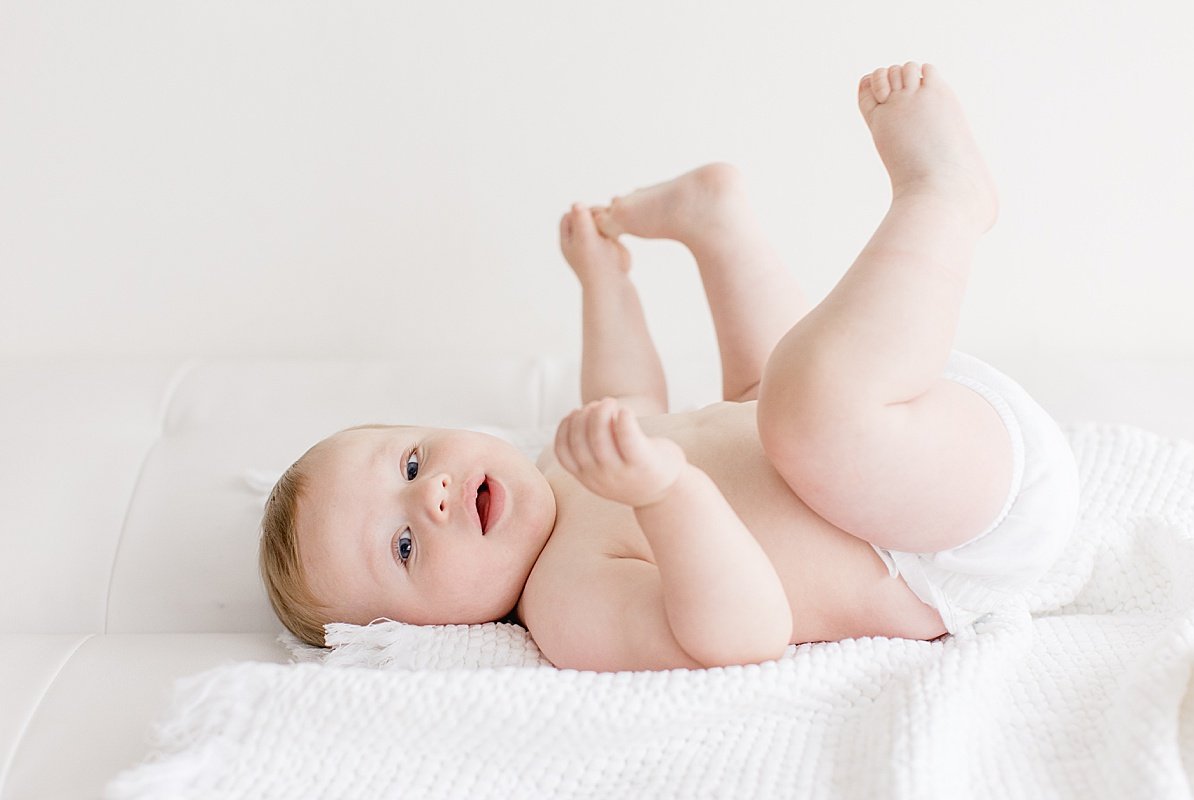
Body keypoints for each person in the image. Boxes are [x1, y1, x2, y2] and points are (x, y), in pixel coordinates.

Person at [258, 62, 1080, 671]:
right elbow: (739, 633)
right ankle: (944, 197)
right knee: (797, 411)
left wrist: (604, 283)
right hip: (944, 538)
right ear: (423, 632)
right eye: (402, 546)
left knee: (771, 397)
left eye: (410, 462)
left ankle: (719, 226)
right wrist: (664, 492)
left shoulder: (557, 469)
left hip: (917, 429)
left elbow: (627, 401)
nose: (430, 495)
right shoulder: (566, 607)